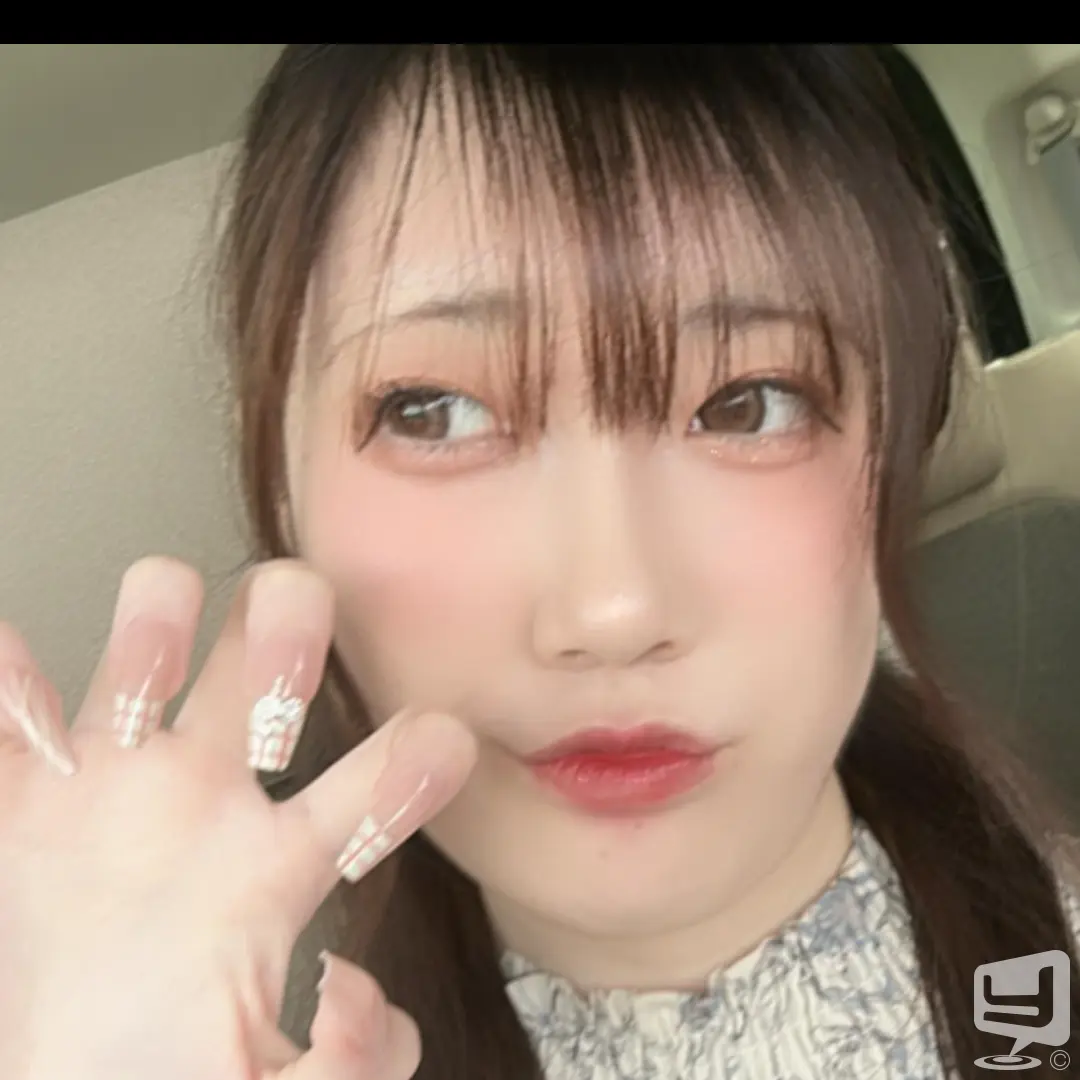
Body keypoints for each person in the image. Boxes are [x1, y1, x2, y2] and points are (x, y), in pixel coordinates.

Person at [0, 43, 1077, 1080]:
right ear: (285, 491)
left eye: (748, 404)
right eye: (433, 412)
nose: (613, 609)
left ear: (895, 445)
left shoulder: (1037, 983)